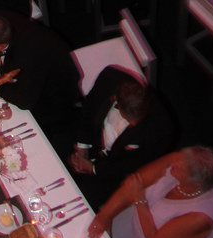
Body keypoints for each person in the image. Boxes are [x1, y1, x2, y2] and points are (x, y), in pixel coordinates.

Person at [68, 69, 175, 207]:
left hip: (113, 168)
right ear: (115, 99)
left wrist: (93, 168)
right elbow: (89, 111)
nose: (133, 124)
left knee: (80, 201)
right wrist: (82, 148)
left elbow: (134, 164)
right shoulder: (109, 79)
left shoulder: (162, 129)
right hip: (91, 139)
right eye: (128, 119)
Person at [0, 12, 81, 134]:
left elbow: (24, 101)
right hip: (43, 63)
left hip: (55, 97)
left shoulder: (26, 59)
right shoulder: (2, 20)